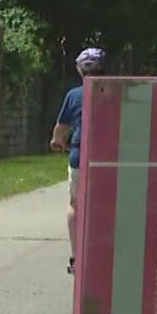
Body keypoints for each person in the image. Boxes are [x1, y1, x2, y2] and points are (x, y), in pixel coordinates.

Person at [52, 47, 107, 273]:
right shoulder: (116, 92)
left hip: (80, 156)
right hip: (109, 157)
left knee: (76, 203)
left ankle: (77, 256)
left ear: (80, 71)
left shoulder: (74, 95)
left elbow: (61, 128)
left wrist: (57, 142)